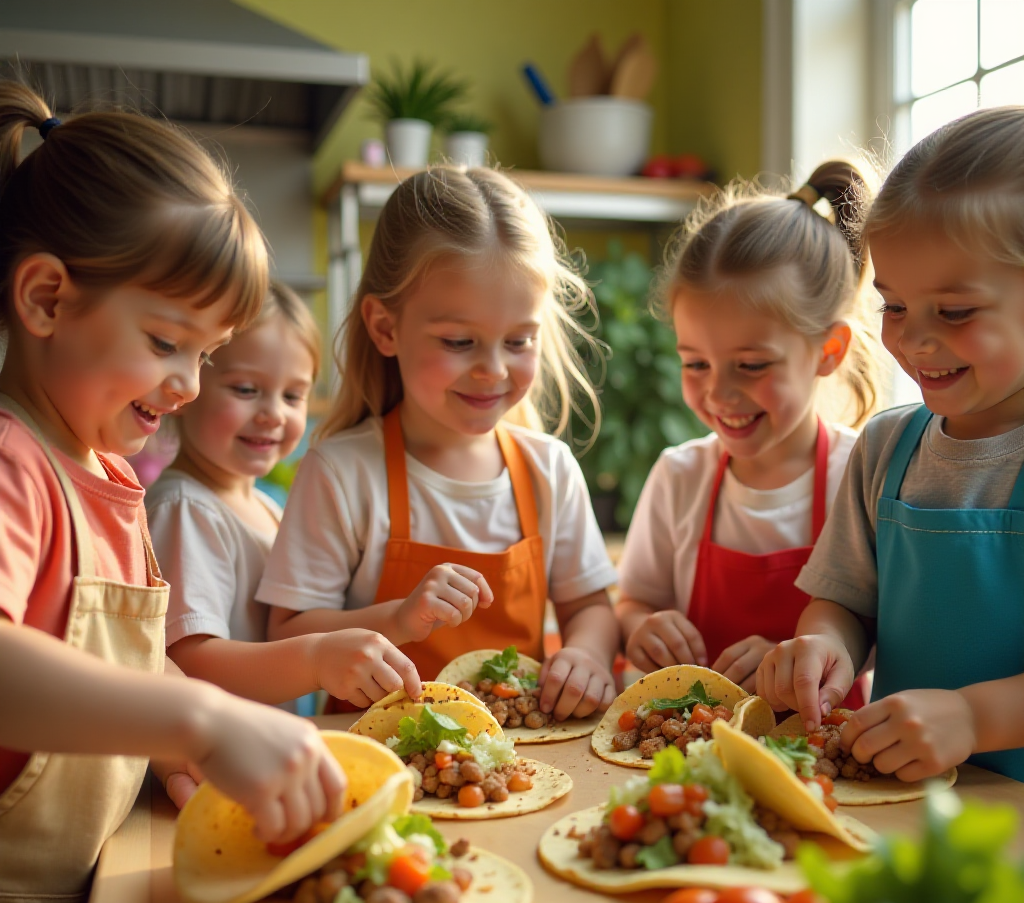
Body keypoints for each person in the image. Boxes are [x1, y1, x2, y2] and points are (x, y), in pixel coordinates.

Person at [0, 83, 343, 903]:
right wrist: (197, 719)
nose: (189, 385)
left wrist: (193, 768)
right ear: (45, 298)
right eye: (167, 343)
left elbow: (120, 660)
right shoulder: (14, 463)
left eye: (209, 352)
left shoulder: (107, 474)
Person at [258, 166, 620, 721]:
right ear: (384, 327)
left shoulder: (549, 468)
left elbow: (589, 607)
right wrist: (399, 619)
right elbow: (287, 632)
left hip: (517, 760)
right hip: (379, 755)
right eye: (458, 341)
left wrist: (587, 655)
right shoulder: (342, 472)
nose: (493, 370)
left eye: (519, 340)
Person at [757, 107, 1024, 783]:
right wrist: (824, 646)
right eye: (893, 305)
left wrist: (970, 718)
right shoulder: (886, 447)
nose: (911, 339)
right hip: (908, 806)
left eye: (955, 311)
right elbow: (847, 603)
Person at [616, 161, 878, 695]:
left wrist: (806, 659)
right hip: (688, 749)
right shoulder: (679, 476)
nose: (718, 393)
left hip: (823, 758)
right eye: (695, 364)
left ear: (828, 351)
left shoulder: (863, 474)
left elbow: (888, 634)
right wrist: (640, 626)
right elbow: (632, 601)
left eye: (752, 365)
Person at [146, 281, 419, 721]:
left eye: (293, 395)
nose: (274, 413)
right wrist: (315, 660)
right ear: (186, 388)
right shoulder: (185, 511)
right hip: (217, 767)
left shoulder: (269, 508)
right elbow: (191, 664)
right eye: (246, 389)